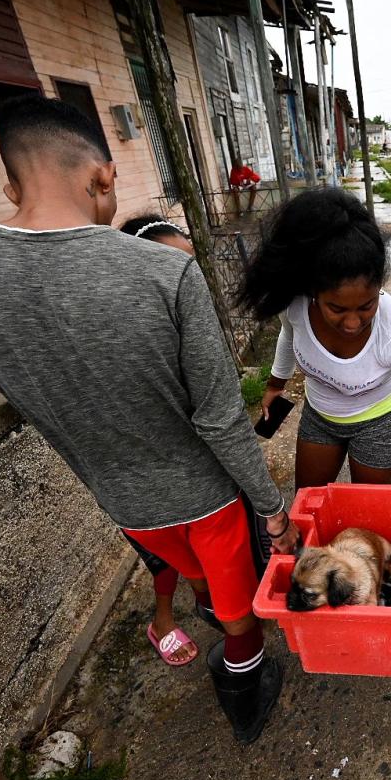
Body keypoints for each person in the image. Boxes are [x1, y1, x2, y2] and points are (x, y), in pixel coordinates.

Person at [0, 96, 297, 744]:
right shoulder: (165, 271)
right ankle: (245, 698)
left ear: (11, 186)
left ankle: (215, 631)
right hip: (206, 497)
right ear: (103, 177)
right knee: (240, 614)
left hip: (123, 503)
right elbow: (218, 419)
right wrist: (271, 506)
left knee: (200, 579)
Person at [239, 187, 391, 570]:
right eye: (337, 308)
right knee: (308, 505)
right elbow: (290, 335)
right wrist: (276, 383)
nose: (353, 322)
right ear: (313, 293)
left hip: (379, 423)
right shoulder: (294, 305)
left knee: (362, 518)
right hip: (320, 418)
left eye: (366, 306)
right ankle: (312, 579)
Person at [114, 214, 217, 667]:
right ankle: (162, 620)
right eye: (171, 267)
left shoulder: (192, 325)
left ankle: (206, 598)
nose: (183, 280)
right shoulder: (120, 336)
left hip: (190, 466)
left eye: (189, 267)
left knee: (200, 549)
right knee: (165, 555)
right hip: (135, 473)